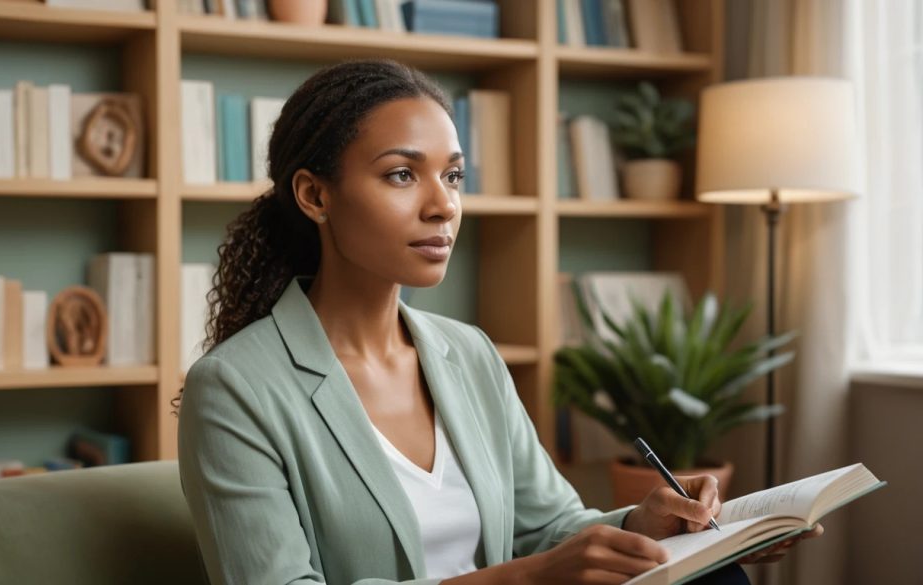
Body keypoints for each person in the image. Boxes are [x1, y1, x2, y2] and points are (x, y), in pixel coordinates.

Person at [175, 58, 820, 585]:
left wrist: (640, 526)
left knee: (714, 579)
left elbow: (550, 527)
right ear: (316, 195)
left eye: (452, 176)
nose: (443, 206)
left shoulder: (469, 353)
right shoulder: (235, 388)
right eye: (402, 174)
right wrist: (524, 580)